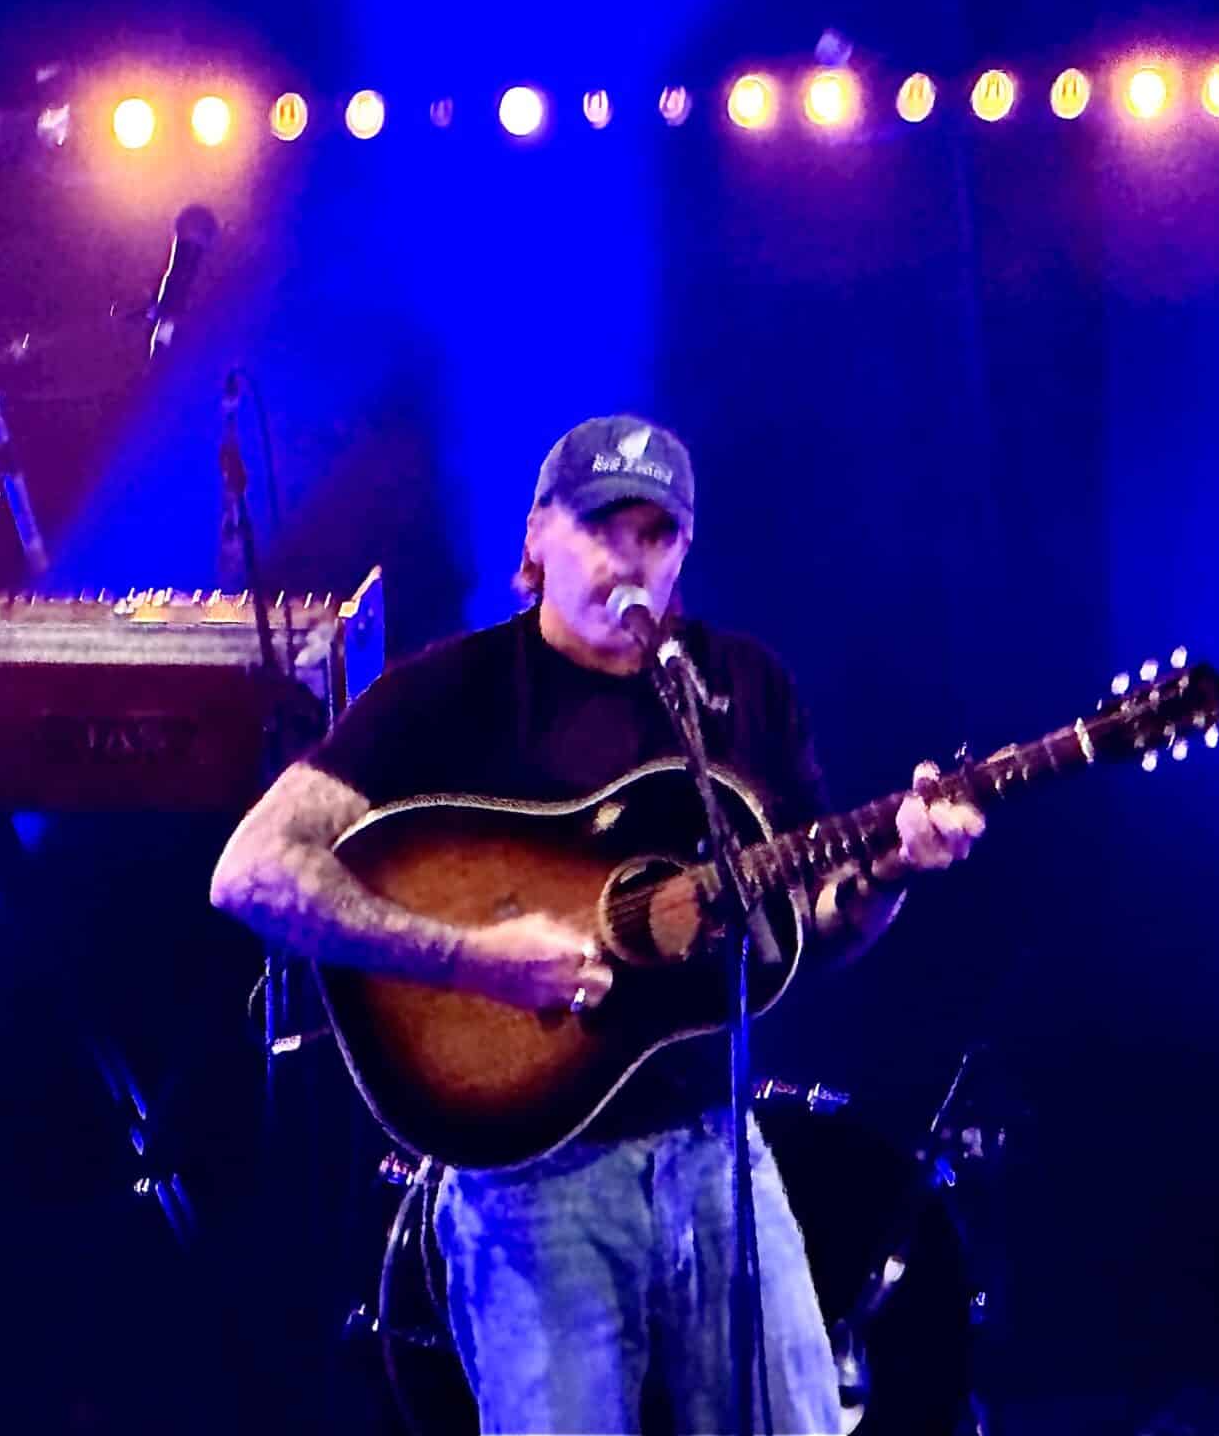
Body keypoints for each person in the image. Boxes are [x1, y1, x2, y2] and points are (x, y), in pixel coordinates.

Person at [209, 414, 986, 1435]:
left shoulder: (738, 691)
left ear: (685, 552)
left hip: (718, 1155)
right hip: (530, 1184)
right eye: (599, 528)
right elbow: (251, 872)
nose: (628, 559)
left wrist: (890, 871)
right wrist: (471, 961)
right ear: (537, 535)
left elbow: (806, 929)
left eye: (655, 535)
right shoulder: (450, 695)